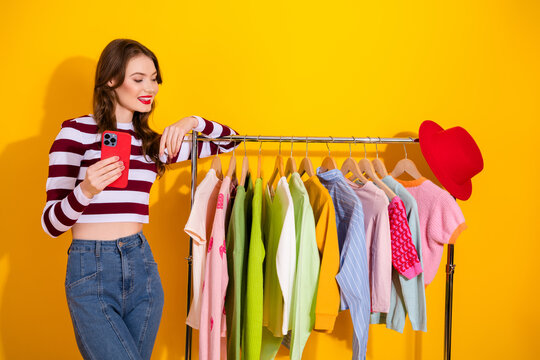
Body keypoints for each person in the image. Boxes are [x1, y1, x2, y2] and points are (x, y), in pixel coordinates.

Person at [40, 39, 240, 360]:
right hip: (89, 270)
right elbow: (50, 224)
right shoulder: (74, 134)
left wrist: (193, 122)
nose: (151, 87)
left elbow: (232, 141)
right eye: (138, 79)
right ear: (110, 80)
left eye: (154, 78)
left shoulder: (154, 145)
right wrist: (86, 190)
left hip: (141, 266)